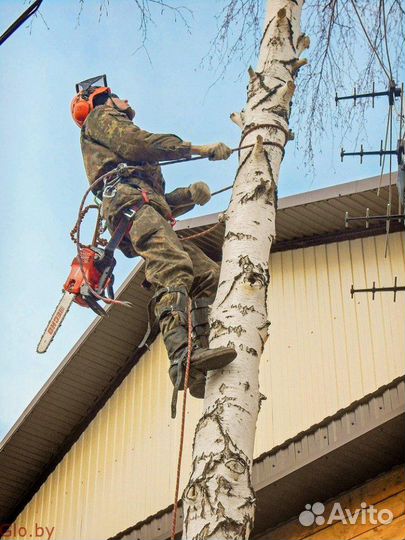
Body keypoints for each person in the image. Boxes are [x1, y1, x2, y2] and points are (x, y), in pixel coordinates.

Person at [71, 77, 236, 409]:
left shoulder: (129, 162)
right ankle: (182, 358)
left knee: (206, 274)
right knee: (171, 265)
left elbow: (157, 201)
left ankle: (199, 357)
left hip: (144, 207)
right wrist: (195, 149)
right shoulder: (100, 117)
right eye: (118, 97)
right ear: (103, 99)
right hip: (129, 206)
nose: (126, 101)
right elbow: (138, 143)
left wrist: (189, 195)